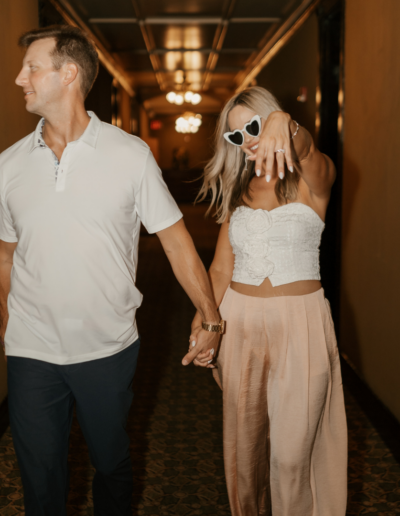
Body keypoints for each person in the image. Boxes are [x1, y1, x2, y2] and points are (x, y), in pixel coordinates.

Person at [0, 25, 220, 516]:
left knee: (111, 464)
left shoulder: (130, 155)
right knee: (40, 478)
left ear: (69, 74)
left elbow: (176, 240)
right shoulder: (8, 166)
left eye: (31, 67)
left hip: (107, 346)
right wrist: (8, 328)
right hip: (31, 350)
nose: (20, 79)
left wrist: (210, 315)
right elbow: (5, 255)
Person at [188, 87, 347, 515]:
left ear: (272, 119)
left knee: (292, 456)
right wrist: (207, 324)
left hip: (302, 322)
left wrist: (287, 124)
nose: (248, 140)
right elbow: (221, 269)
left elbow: (308, 147)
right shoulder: (237, 188)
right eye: (236, 136)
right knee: (243, 452)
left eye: (254, 126)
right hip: (240, 321)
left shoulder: (314, 179)